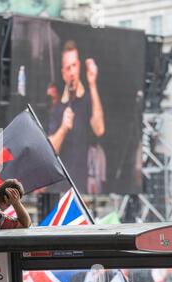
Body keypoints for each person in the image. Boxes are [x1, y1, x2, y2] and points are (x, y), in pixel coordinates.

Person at [48, 40, 105, 193]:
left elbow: (99, 129)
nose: (72, 71)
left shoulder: (88, 98)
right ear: (63, 73)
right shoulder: (58, 107)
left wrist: (92, 83)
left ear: (79, 66)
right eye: (68, 68)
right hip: (60, 188)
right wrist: (63, 128)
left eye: (74, 65)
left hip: (83, 186)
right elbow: (50, 150)